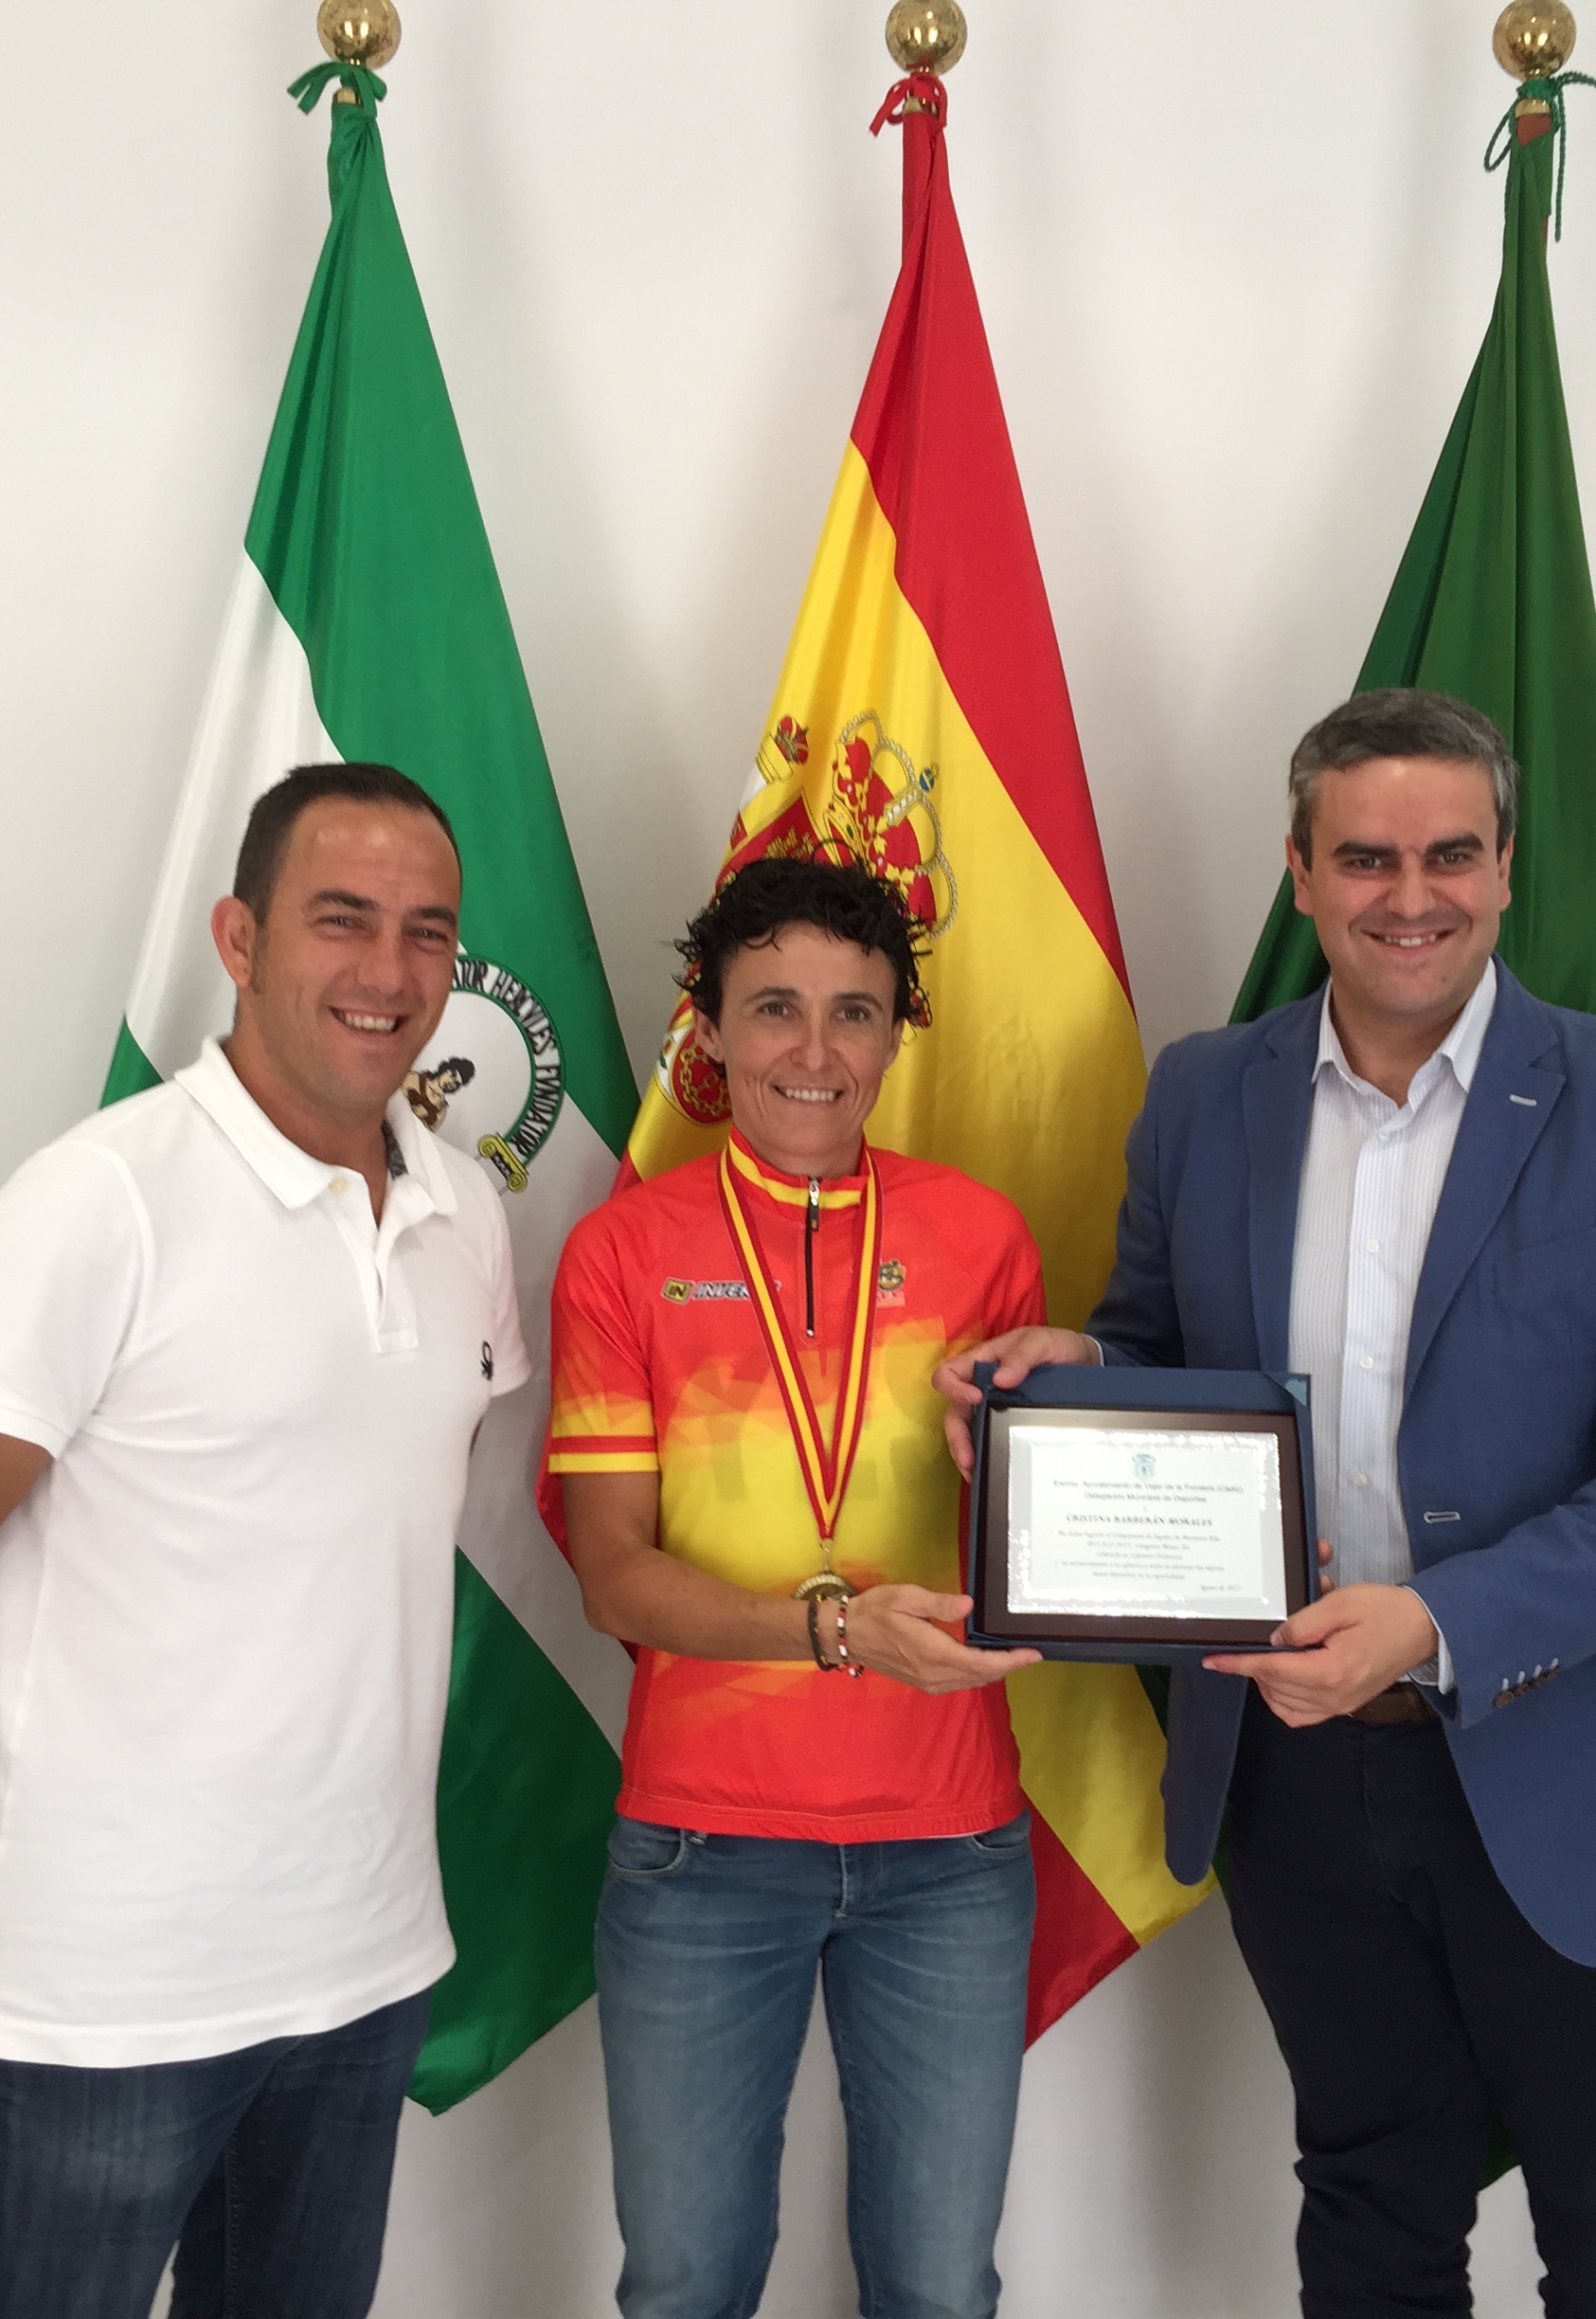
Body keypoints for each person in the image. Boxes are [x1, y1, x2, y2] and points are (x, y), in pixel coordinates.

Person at [938, 690, 1596, 2319]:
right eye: (1367, 858)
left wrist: (1438, 1625)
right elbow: (1166, 1346)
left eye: (1452, 854)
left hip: (1573, 1756)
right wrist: (1078, 1371)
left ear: (1507, 867)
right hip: (1297, 1772)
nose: (1412, 895)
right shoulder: (1206, 1094)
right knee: (1371, 2213)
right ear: (1302, 871)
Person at [0, 762, 527, 2319]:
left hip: (360, 1962)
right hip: (99, 1994)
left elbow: (392, 1513)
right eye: (341, 918)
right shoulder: (99, 1203)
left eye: (426, 931)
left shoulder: (465, 1213)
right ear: (239, 936)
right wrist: (94, 1717)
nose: (389, 968)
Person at [546, 854, 1049, 2319]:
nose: (814, 1050)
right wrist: (833, 1630)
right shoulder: (623, 1251)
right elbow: (612, 1577)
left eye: (854, 1011)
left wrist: (1104, 1421)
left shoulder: (983, 1234)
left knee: (940, 2288)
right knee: (687, 2285)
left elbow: (1037, 1535)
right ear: (707, 1028)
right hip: (704, 1845)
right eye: (773, 1008)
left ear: (898, 1032)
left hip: (950, 1849)